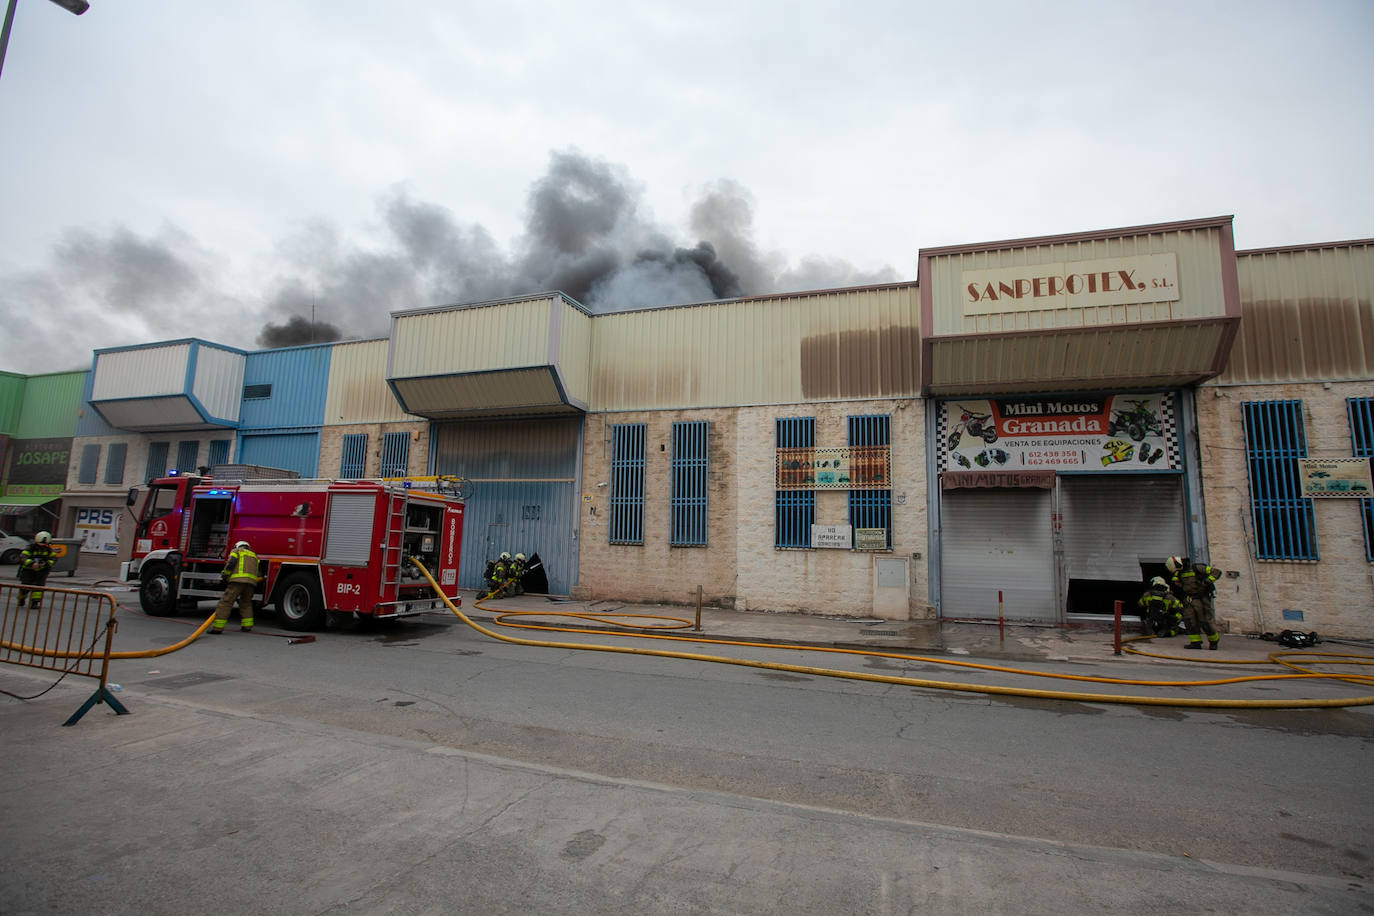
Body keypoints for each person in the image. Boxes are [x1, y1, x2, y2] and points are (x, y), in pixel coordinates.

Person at [1166, 555, 1222, 649]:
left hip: (1201, 598)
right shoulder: (1179, 572)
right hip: (1188, 599)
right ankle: (1195, 642)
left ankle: (1213, 642)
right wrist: (1176, 582)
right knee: (1190, 621)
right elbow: (1175, 579)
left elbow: (1217, 572)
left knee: (1205, 621)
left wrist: (1207, 581)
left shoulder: (1197, 568)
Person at [211, 540, 261, 633]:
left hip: (237, 582)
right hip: (250, 583)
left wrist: (225, 575)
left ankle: (217, 628)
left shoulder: (236, 551)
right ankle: (247, 626)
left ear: (237, 546)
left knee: (226, 603)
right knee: (246, 604)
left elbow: (230, 564)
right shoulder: (254, 556)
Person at [16, 531, 56, 610]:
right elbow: (23, 557)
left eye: (45, 544)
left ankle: (35, 602)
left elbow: (54, 559)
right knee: (25, 586)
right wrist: (32, 564)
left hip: (42, 571)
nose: (43, 545)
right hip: (28, 571)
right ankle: (21, 599)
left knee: (39, 587)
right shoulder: (30, 548)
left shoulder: (49, 550)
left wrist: (45, 564)